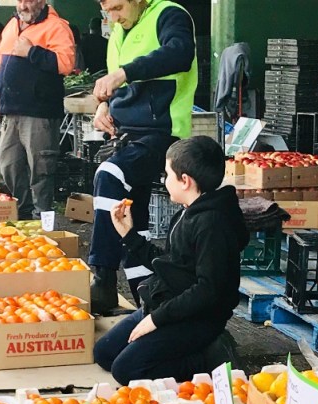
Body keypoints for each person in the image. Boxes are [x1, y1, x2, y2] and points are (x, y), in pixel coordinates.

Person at [94, 136, 247, 383]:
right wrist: (128, 235)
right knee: (105, 353)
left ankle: (209, 358)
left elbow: (208, 290)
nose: (164, 181)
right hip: (171, 304)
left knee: (125, 371)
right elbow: (170, 264)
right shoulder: (188, 211)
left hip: (199, 318)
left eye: (167, 174)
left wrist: (156, 320)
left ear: (185, 181)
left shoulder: (212, 224)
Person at [87, 0, 197, 314]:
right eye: (107, 10)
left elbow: (180, 53)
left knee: (109, 174)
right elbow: (117, 85)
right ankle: (147, 301)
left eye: (118, 7)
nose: (113, 17)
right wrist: (103, 106)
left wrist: (123, 74)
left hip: (161, 132)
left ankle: (103, 275)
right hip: (125, 134)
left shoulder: (169, 14)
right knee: (133, 219)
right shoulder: (119, 31)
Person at [0, 0, 74, 219]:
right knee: (8, 165)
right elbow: (0, 64)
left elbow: (66, 64)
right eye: (20, 1)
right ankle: (23, 214)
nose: (23, 6)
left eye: (29, 1)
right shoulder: (12, 25)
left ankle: (43, 219)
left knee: (41, 169)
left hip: (39, 112)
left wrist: (31, 52)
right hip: (10, 111)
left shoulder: (56, 26)